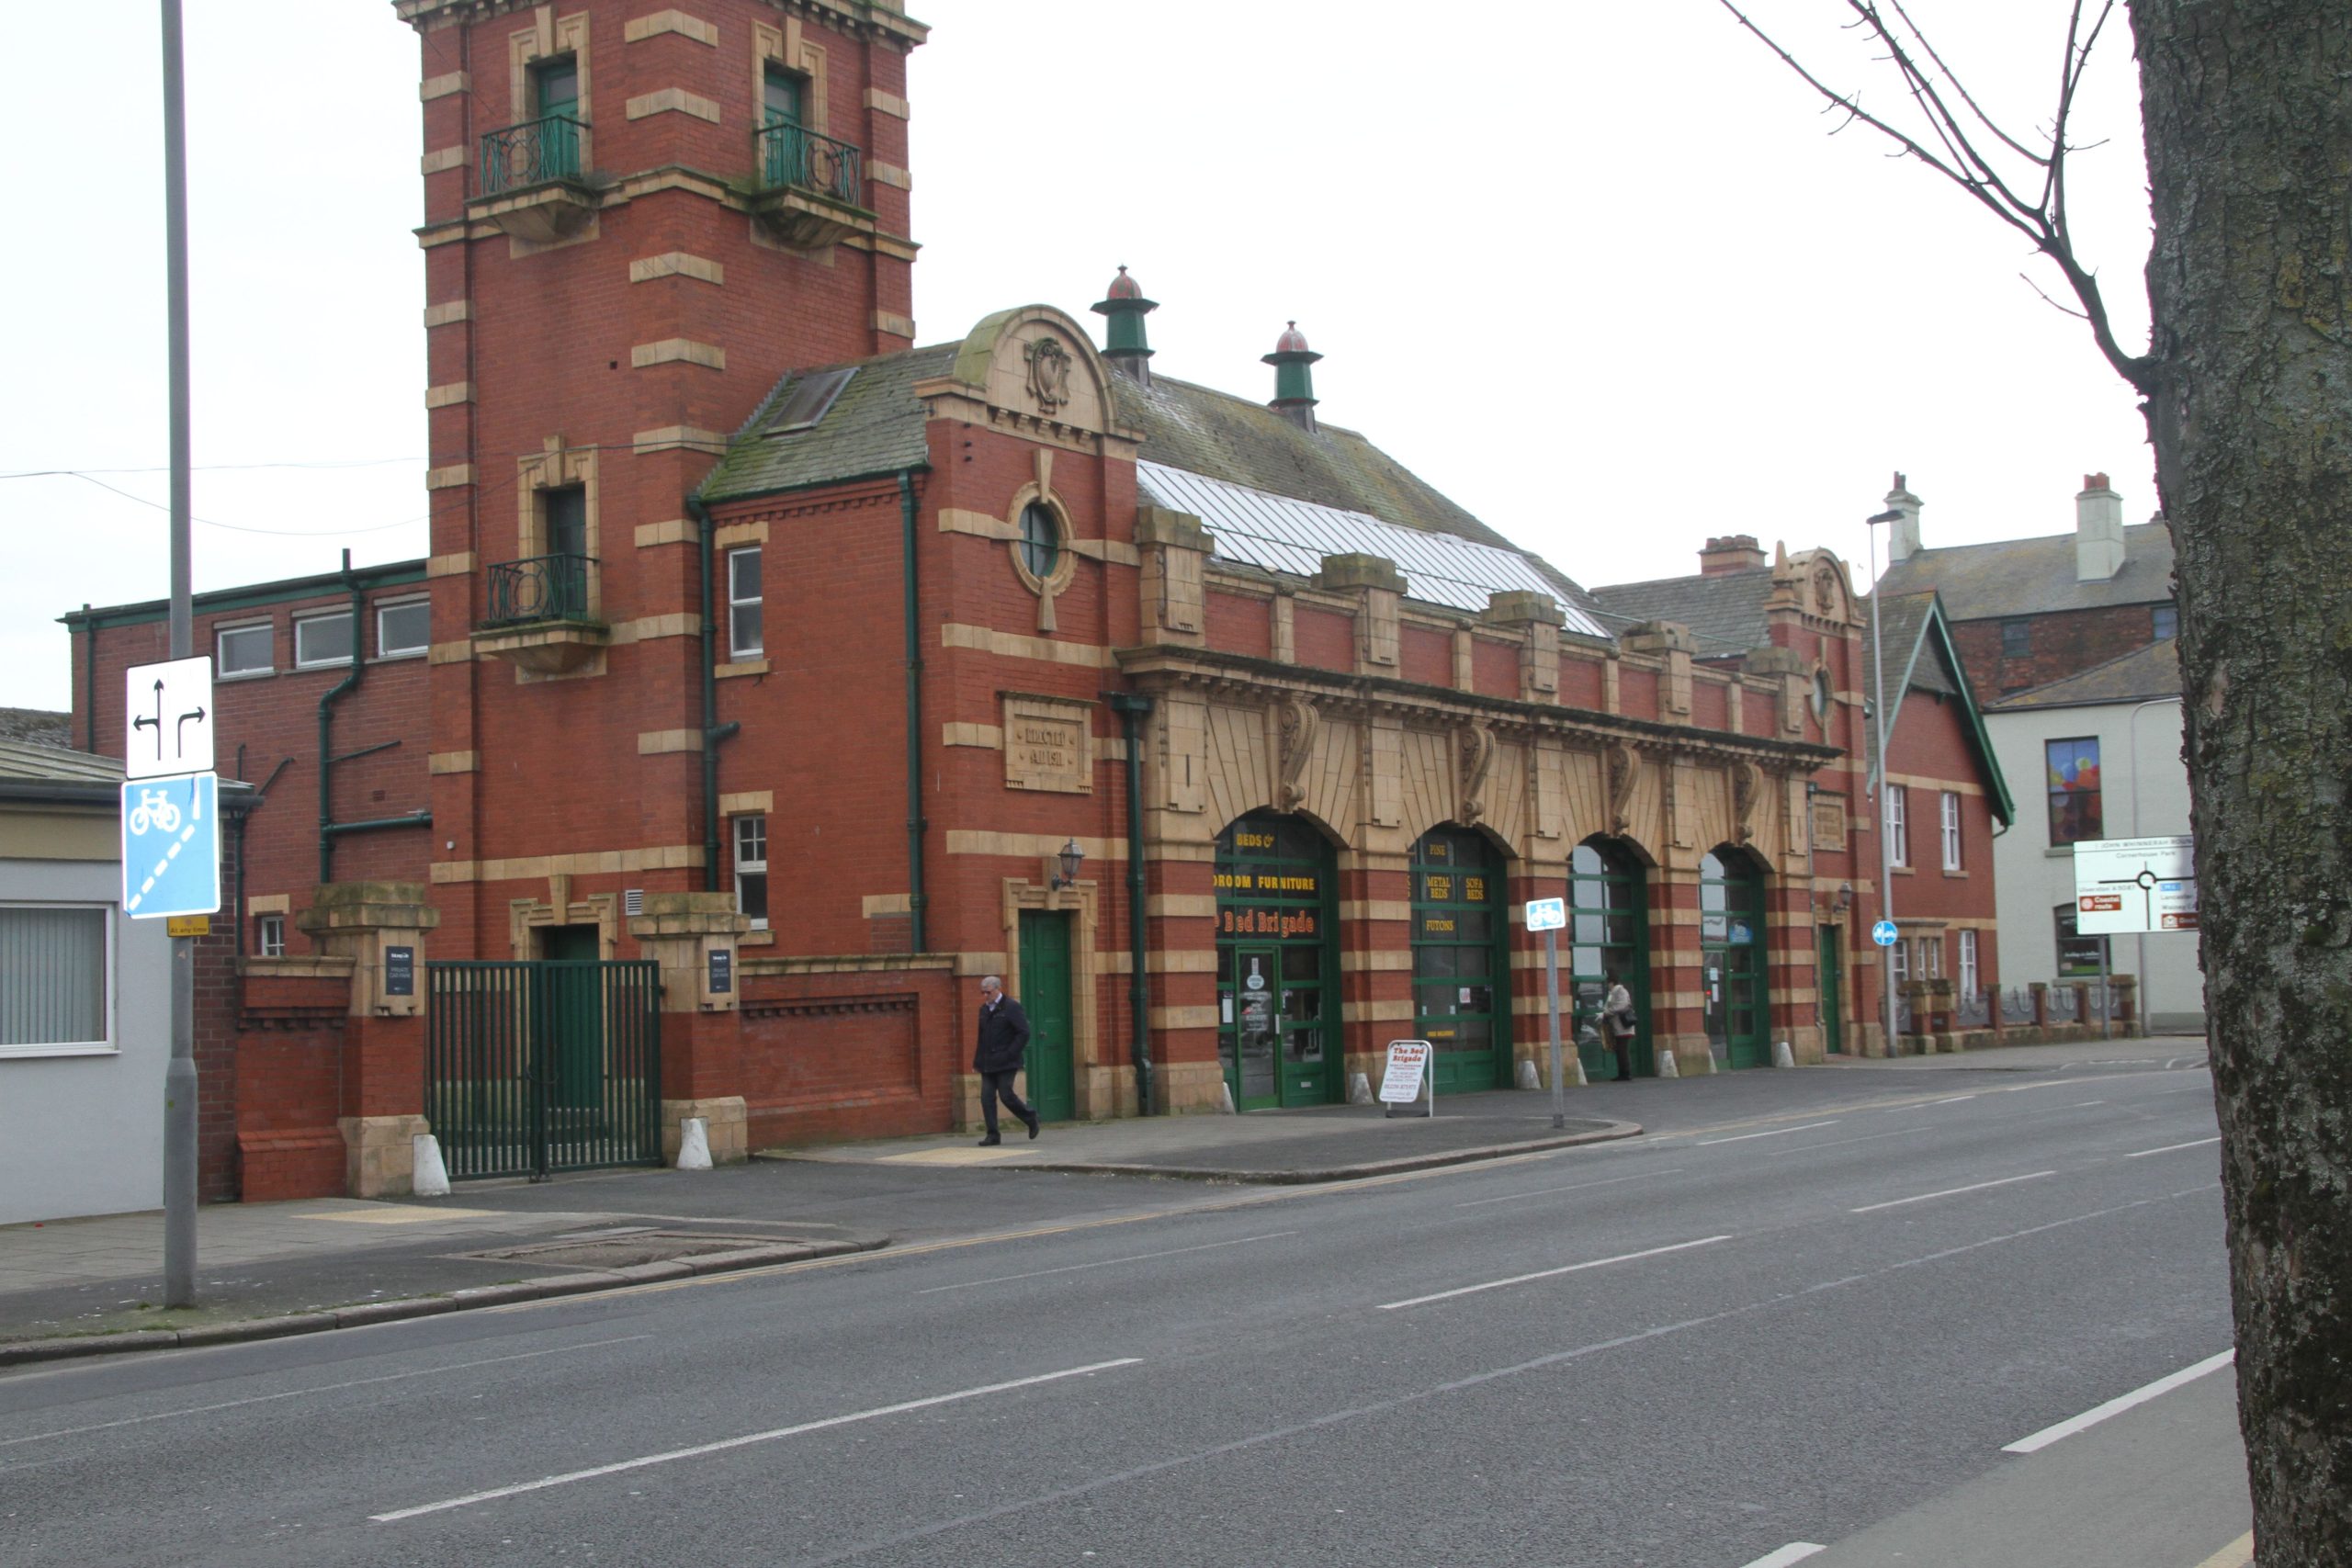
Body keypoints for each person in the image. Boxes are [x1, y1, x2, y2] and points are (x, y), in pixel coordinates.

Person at [973, 975, 1040, 1145]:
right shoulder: (984, 1010)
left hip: (1007, 1061)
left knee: (1006, 1095)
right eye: (983, 993)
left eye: (987, 992)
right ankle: (993, 1134)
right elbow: (981, 1038)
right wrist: (977, 1061)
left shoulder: (1011, 1007)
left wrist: (1010, 1053)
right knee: (986, 1097)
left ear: (997, 989)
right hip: (988, 1061)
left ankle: (1030, 1117)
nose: (985, 996)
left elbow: (1024, 1032)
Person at [1601, 968, 1637, 1082]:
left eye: (1608, 983)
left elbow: (1621, 1006)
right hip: (1618, 1026)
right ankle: (1622, 1072)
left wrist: (1608, 1012)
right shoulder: (1613, 993)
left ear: (1612, 982)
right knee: (1619, 1050)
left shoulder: (1620, 991)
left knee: (1622, 1050)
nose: (1607, 985)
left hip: (1623, 1026)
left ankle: (1626, 1073)